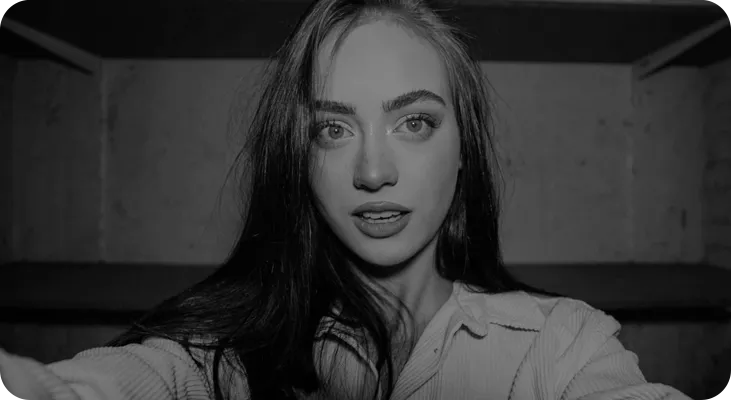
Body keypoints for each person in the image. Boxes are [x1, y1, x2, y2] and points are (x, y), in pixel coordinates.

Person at [0, 0, 693, 399]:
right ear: (298, 159)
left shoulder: (563, 345)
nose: (372, 171)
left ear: (464, 148)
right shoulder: (229, 354)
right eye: (332, 129)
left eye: (413, 122)